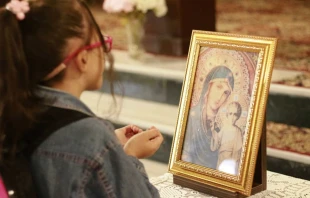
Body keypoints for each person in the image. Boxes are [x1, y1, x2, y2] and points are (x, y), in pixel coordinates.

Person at [0, 0, 163, 197]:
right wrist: (127, 157)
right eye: (100, 41)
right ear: (83, 58)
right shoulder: (89, 135)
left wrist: (109, 149)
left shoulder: (13, 108)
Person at [182, 66, 234, 169]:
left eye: (226, 93)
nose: (220, 97)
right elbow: (185, 155)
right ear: (208, 87)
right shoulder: (192, 117)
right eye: (218, 87)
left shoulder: (224, 124)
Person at [210, 102, 243, 175]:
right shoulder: (224, 128)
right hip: (221, 159)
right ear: (227, 114)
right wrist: (214, 130)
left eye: (235, 114)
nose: (232, 117)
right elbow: (216, 143)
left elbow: (238, 151)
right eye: (230, 113)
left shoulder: (238, 131)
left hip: (230, 160)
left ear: (238, 116)